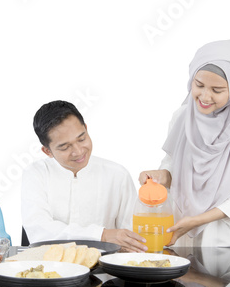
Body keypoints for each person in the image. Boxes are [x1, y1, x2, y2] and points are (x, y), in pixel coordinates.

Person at [139, 39, 230, 247]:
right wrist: (161, 176)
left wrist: (197, 220)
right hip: (182, 231)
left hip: (226, 238)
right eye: (199, 85)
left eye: (217, 90)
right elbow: (173, 164)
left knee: (223, 280)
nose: (205, 96)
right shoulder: (183, 116)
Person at [21, 100, 146, 252]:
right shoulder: (36, 174)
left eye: (82, 139)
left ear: (86, 129)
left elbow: (131, 237)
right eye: (65, 147)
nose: (78, 151)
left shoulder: (118, 175)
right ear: (47, 151)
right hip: (51, 270)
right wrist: (101, 235)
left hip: (107, 271)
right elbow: (40, 232)